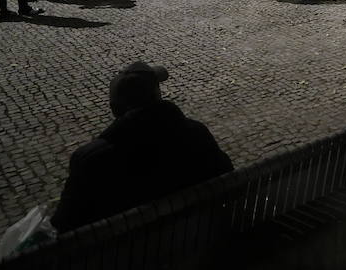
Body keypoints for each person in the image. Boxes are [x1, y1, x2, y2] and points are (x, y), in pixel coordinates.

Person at [51, 62, 234, 234]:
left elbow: (63, 226)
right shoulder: (196, 133)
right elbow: (226, 174)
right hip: (197, 240)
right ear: (157, 97)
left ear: (115, 110)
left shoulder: (91, 161)